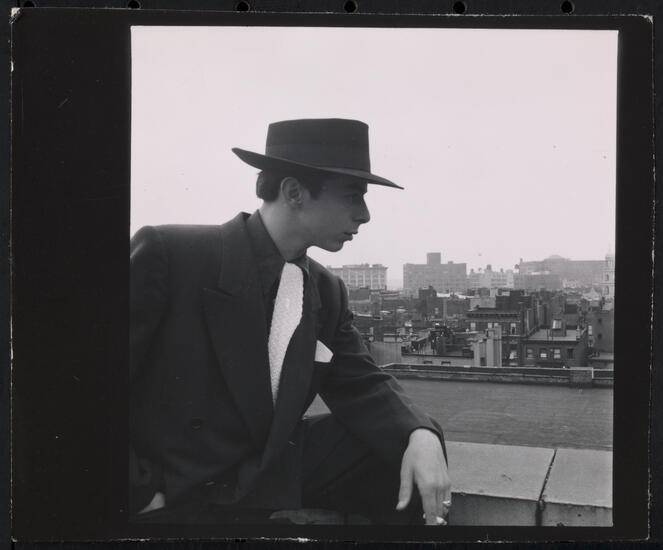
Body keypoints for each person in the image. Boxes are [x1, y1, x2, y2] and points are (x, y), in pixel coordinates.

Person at [130, 118, 451, 525]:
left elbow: (362, 382)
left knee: (405, 442)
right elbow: (87, 383)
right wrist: (138, 491)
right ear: (294, 192)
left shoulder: (327, 289)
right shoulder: (173, 254)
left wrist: (420, 433)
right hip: (173, 484)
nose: (365, 215)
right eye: (353, 195)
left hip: (258, 472)